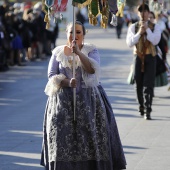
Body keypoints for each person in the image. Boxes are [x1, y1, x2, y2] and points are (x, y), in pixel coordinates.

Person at [40, 20, 126, 170]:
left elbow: (92, 69)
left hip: (89, 101)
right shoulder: (58, 52)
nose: (74, 35)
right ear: (66, 34)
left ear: (84, 35)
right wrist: (67, 82)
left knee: (90, 135)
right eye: (71, 32)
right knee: (62, 137)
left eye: (78, 32)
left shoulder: (91, 50)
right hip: (63, 102)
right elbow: (52, 74)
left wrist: (78, 53)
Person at [126, 4, 161, 120]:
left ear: (149, 13)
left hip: (150, 58)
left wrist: (147, 31)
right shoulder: (133, 27)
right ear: (138, 13)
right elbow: (129, 43)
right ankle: (141, 105)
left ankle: (148, 109)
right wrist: (139, 33)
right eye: (141, 11)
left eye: (145, 11)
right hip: (138, 57)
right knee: (139, 84)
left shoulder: (155, 27)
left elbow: (155, 41)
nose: (143, 13)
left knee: (148, 85)